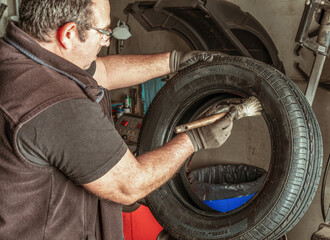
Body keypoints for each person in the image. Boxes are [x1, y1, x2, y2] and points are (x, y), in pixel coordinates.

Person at [0, 0, 236, 239]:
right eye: (103, 31)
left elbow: (103, 71)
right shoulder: (56, 103)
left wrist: (174, 60)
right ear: (68, 33)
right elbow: (130, 185)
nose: (107, 41)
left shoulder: (18, 56)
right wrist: (194, 140)